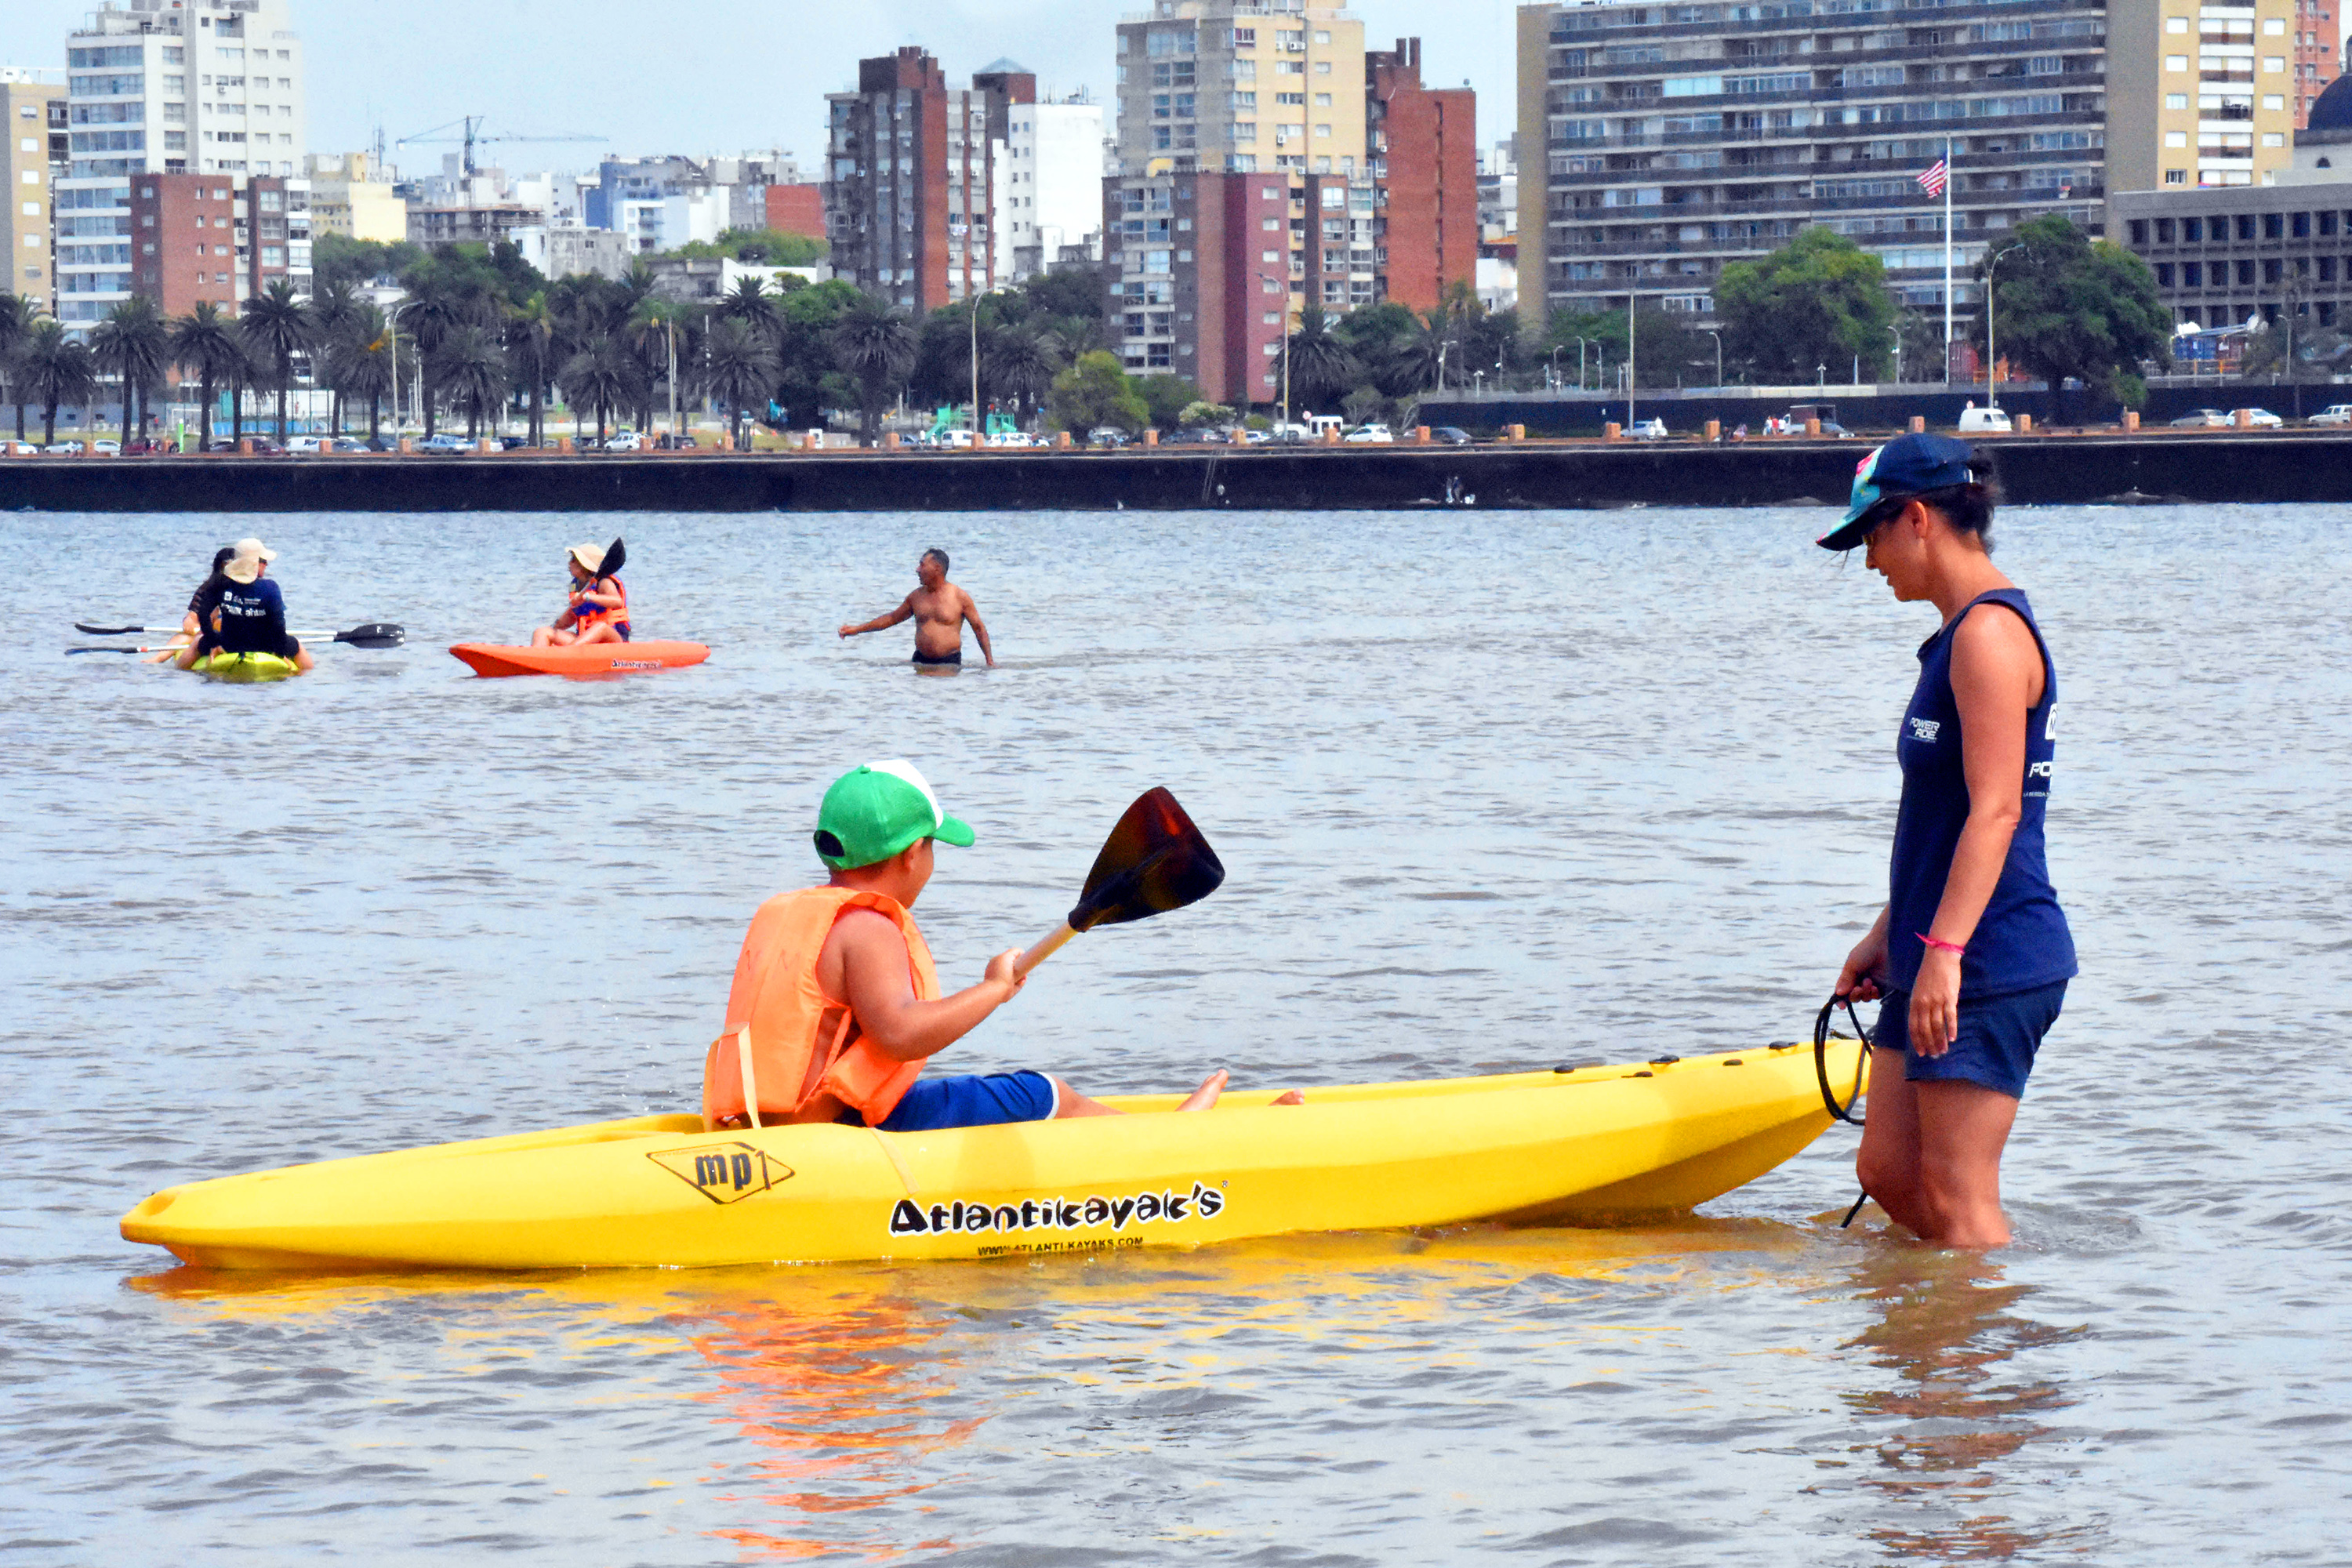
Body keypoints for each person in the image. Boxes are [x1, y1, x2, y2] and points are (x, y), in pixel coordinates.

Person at [703, 760, 1279, 1134]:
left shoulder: (791, 915)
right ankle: (1173, 1145)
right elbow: (900, 1034)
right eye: (932, 849)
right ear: (911, 854)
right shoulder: (867, 927)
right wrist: (993, 990)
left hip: (762, 1127)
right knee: (1042, 1093)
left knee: (994, 1096)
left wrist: (989, 987)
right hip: (839, 1138)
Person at [1820, 434, 2075, 1250]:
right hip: (1933, 940)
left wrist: (1943, 950)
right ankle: (1946, 1361)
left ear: (1919, 518)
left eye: (1872, 537)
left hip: (1990, 954)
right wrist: (1888, 932)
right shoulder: (1954, 634)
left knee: (1959, 1195)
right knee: (1888, 1169)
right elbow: (1946, 812)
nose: (1869, 563)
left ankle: (1976, 1372)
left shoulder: (1989, 636)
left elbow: (1997, 812)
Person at [174, 537, 313, 673]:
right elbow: (279, 625)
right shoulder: (271, 587)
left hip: (229, 645)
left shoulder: (220, 584)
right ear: (254, 563)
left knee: (197, 642)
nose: (266, 565)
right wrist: (281, 652)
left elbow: (203, 614)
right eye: (263, 561)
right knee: (297, 645)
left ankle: (177, 672)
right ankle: (308, 675)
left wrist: (213, 641)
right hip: (266, 646)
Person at [838, 548, 996, 668]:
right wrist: (857, 629)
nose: (917, 570)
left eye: (922, 565)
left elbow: (979, 628)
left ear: (936, 568)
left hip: (950, 663)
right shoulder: (916, 597)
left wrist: (989, 662)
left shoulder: (959, 597)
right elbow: (892, 619)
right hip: (919, 661)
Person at [531, 543, 630, 648]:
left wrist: (587, 597)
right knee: (542, 632)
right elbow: (571, 616)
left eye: (573, 559)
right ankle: (535, 659)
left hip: (613, 639)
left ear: (584, 566)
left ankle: (566, 654)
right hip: (585, 639)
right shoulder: (577, 585)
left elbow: (617, 601)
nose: (569, 563)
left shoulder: (604, 582)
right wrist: (554, 627)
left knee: (600, 627)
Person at [151, 545, 235, 663]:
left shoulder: (246, 588)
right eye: (226, 567)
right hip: (212, 635)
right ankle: (157, 659)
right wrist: (190, 623)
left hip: (235, 635)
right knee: (186, 636)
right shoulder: (209, 589)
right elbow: (192, 617)